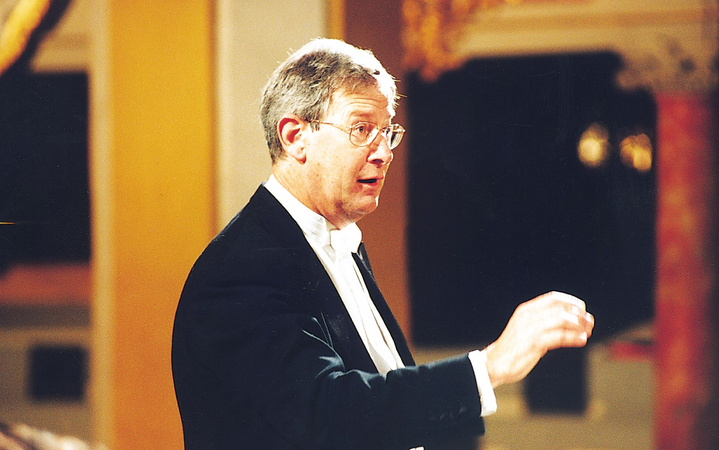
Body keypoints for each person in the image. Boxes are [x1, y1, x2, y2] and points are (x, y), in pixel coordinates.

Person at [171, 38, 595, 450]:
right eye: (361, 129)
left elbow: (382, 394)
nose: (383, 152)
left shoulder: (339, 243)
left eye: (387, 132)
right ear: (295, 136)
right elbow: (328, 415)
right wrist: (491, 366)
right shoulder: (239, 270)